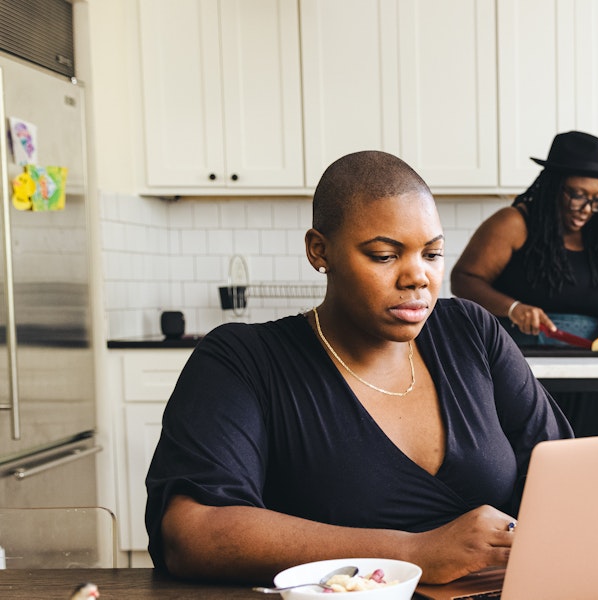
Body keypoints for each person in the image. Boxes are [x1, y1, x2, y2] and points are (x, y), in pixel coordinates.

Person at [144, 151, 571, 586]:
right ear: (319, 251)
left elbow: (561, 471)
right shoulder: (244, 360)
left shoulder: (471, 332)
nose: (418, 277)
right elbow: (190, 533)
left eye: (433, 253)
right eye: (384, 256)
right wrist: (414, 552)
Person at [451, 131, 598, 437]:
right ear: (553, 186)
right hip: (524, 372)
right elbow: (464, 280)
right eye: (577, 194)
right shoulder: (513, 224)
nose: (586, 208)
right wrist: (512, 308)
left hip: (595, 373)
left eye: (596, 200)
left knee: (592, 467)